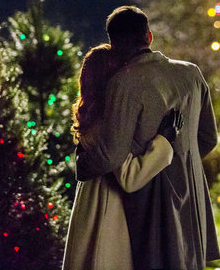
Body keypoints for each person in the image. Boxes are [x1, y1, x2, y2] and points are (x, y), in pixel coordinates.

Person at [75, 6, 220, 270]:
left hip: (150, 200)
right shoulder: (192, 73)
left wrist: (82, 164)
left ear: (113, 43)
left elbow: (112, 154)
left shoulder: (124, 83)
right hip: (192, 194)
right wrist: (183, 164)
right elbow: (208, 138)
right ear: (149, 37)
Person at [63, 44, 183, 270]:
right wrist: (164, 142)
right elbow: (129, 176)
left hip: (92, 207)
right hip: (106, 212)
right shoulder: (106, 124)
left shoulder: (93, 117)